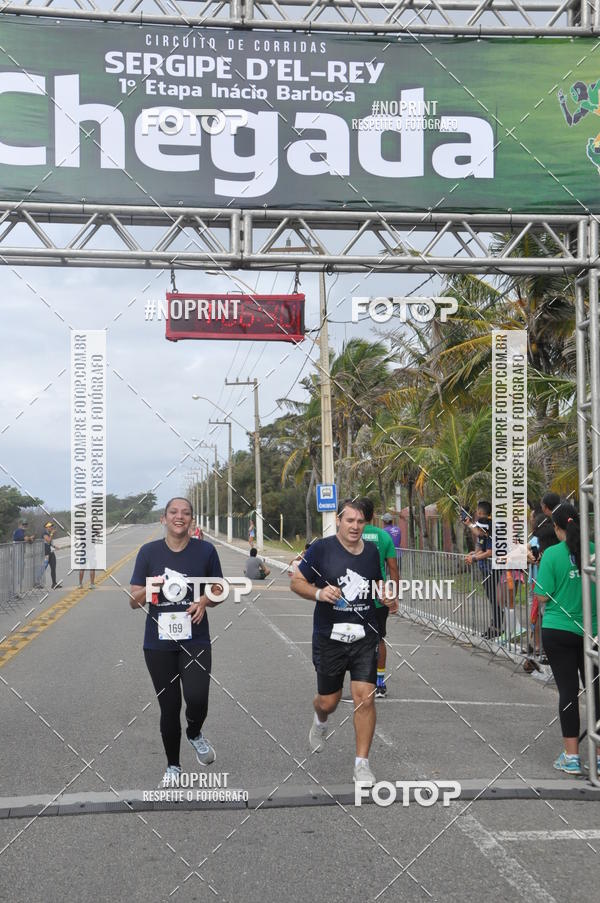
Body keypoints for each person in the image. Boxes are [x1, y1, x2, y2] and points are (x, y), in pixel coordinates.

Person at [290, 497, 397, 786]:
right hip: (330, 637)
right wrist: (318, 593)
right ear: (339, 520)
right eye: (350, 520)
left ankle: (362, 764)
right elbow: (296, 580)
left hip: (365, 635)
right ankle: (319, 720)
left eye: (360, 522)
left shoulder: (372, 551)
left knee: (365, 697)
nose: (355, 526)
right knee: (329, 701)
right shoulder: (321, 549)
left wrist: (387, 595)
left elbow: (377, 583)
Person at [129, 497, 225, 788]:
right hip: (158, 644)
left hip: (195, 638)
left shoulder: (205, 551)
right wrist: (150, 587)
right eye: (174, 512)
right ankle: (173, 766)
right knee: (169, 708)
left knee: (197, 698)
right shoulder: (148, 552)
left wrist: (205, 601)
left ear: (192, 520)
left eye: (185, 513)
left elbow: (220, 588)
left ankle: (194, 733)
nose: (179, 517)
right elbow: (133, 600)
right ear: (164, 519)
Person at [534, 503, 599, 775]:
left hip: (558, 631)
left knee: (568, 693)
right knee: (596, 694)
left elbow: (542, 596)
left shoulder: (551, 555)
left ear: (558, 528)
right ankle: (597, 757)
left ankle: (572, 757)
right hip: (592, 633)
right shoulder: (594, 551)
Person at [360, 498, 399, 698]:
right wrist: (394, 595)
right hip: (380, 597)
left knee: (355, 638)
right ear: (373, 515)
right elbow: (393, 568)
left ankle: (361, 682)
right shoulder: (383, 536)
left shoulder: (351, 534)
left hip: (355, 597)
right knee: (379, 639)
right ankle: (380, 682)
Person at [465, 517, 502, 638]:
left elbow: (490, 553)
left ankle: (497, 627)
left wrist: (475, 558)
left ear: (484, 530)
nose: (476, 531)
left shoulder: (491, 536)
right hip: (486, 570)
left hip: (494, 571)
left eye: (478, 529)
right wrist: (474, 554)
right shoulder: (483, 536)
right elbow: (481, 551)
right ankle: (494, 625)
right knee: (491, 599)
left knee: (495, 599)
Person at [41, 522, 60, 589]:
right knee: (43, 568)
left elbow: (49, 543)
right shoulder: (44, 534)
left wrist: (54, 546)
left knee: (53, 568)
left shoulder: (49, 533)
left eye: (51, 526)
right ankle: (37, 583)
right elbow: (48, 540)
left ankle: (54, 583)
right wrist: (52, 533)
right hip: (46, 553)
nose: (51, 527)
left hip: (51, 552)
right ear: (46, 527)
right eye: (49, 526)